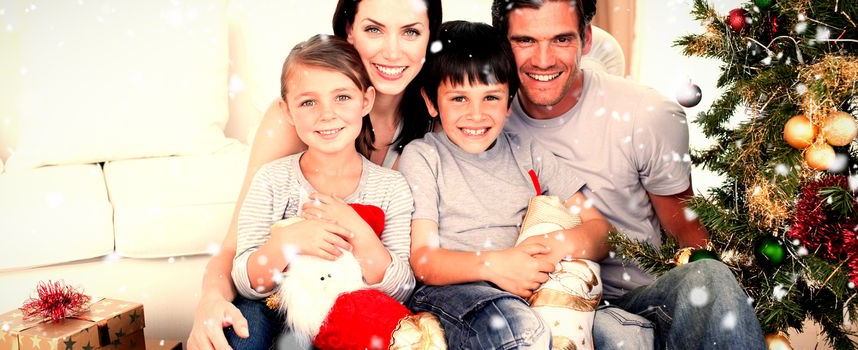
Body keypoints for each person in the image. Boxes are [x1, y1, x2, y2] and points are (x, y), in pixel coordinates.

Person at [490, 1, 766, 349]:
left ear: (586, 39)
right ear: (502, 43)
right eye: (525, 40)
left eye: (561, 39)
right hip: (530, 307)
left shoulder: (645, 114)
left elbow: (687, 230)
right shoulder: (480, 120)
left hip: (637, 301)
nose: (543, 60)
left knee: (707, 278)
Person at [187, 1, 442, 349]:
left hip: (369, 304)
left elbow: (401, 277)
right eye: (374, 29)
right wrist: (210, 302)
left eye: (410, 31)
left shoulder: (447, 114)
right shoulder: (288, 134)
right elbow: (238, 252)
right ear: (349, 29)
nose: (393, 50)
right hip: (282, 298)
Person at [398, 20, 612, 349]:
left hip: (526, 288)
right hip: (454, 293)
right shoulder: (424, 157)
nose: (476, 114)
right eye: (458, 99)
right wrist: (497, 265)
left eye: (491, 98)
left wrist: (558, 245)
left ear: (509, 101)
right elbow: (424, 260)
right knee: (517, 328)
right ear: (430, 101)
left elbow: (601, 231)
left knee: (618, 333)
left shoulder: (528, 153)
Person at [227, 34, 415, 348]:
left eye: (342, 97)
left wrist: (358, 231)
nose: (327, 114)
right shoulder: (272, 179)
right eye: (308, 102)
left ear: (366, 101)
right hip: (280, 307)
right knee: (246, 325)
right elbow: (247, 283)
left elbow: (401, 288)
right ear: (287, 111)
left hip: (352, 313)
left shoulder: (391, 187)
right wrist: (287, 244)